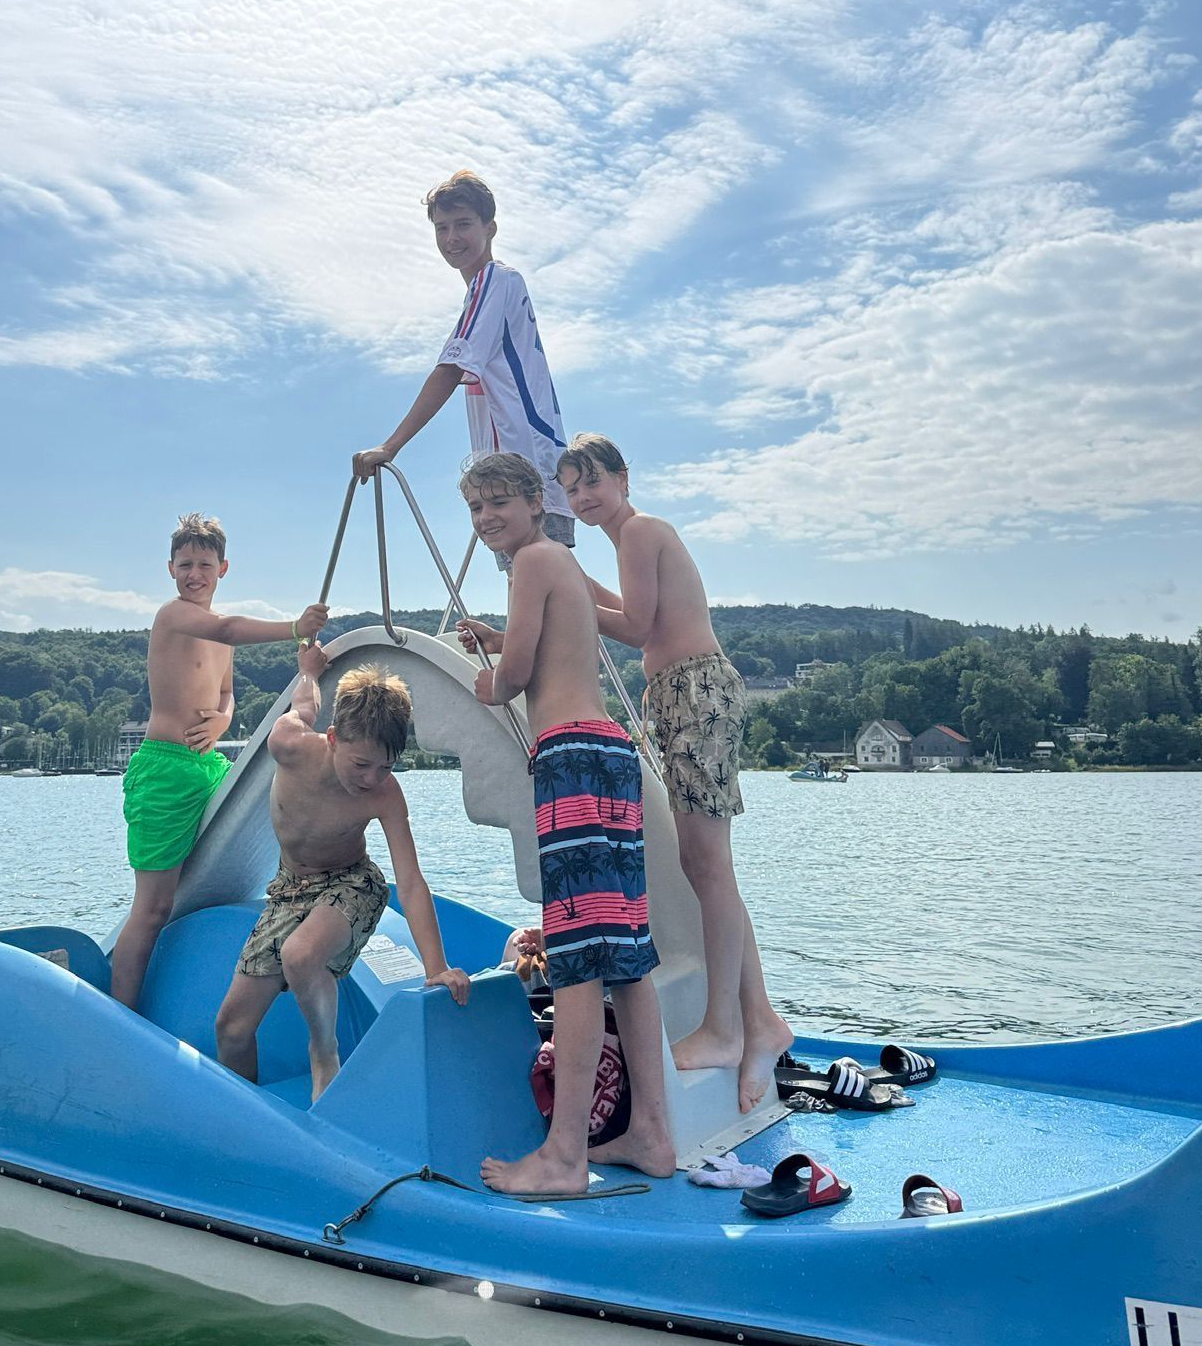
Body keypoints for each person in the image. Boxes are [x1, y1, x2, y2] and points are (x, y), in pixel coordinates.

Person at [455, 451, 675, 1195]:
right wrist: (502, 642)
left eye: (497, 504)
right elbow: (554, 648)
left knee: (577, 959)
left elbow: (514, 678)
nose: (487, 519)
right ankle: (650, 1134)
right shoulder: (557, 566)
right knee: (626, 957)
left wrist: (487, 677)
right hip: (611, 756)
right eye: (476, 510)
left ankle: (565, 1156)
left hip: (572, 760)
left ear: (530, 500)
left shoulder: (529, 564)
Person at [556, 432, 793, 1112]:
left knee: (709, 864)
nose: (582, 496)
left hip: (695, 692)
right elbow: (634, 610)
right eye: (572, 489)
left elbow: (634, 625)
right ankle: (761, 1022)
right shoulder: (634, 540)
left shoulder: (640, 531)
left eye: (592, 481)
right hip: (682, 697)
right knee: (708, 867)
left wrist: (564, 595)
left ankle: (726, 1028)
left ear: (623, 479)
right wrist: (566, 581)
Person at [215, 644, 470, 1100]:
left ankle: (324, 1051)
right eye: (361, 764)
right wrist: (308, 671)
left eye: (386, 766)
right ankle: (246, 1115)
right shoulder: (288, 746)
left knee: (300, 955)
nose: (372, 777)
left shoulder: (384, 795)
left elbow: (409, 882)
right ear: (333, 738)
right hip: (290, 889)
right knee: (231, 1029)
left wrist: (438, 967)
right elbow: (304, 705)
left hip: (353, 883)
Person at [111, 514, 328, 1011]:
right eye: (185, 564)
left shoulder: (218, 634)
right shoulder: (175, 615)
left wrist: (223, 723)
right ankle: (119, 1012)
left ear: (223, 568)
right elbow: (228, 628)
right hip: (164, 770)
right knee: (153, 907)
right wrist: (294, 627)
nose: (195, 574)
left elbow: (227, 694)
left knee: (220, 881)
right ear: (170, 569)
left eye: (204, 564)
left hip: (208, 768)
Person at [351, 171, 574, 569]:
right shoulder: (484, 293)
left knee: (541, 588)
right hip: (519, 468)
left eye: (464, 224)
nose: (452, 237)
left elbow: (451, 368)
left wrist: (391, 445)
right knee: (546, 591)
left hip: (522, 468)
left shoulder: (495, 279)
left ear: (490, 228)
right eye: (442, 228)